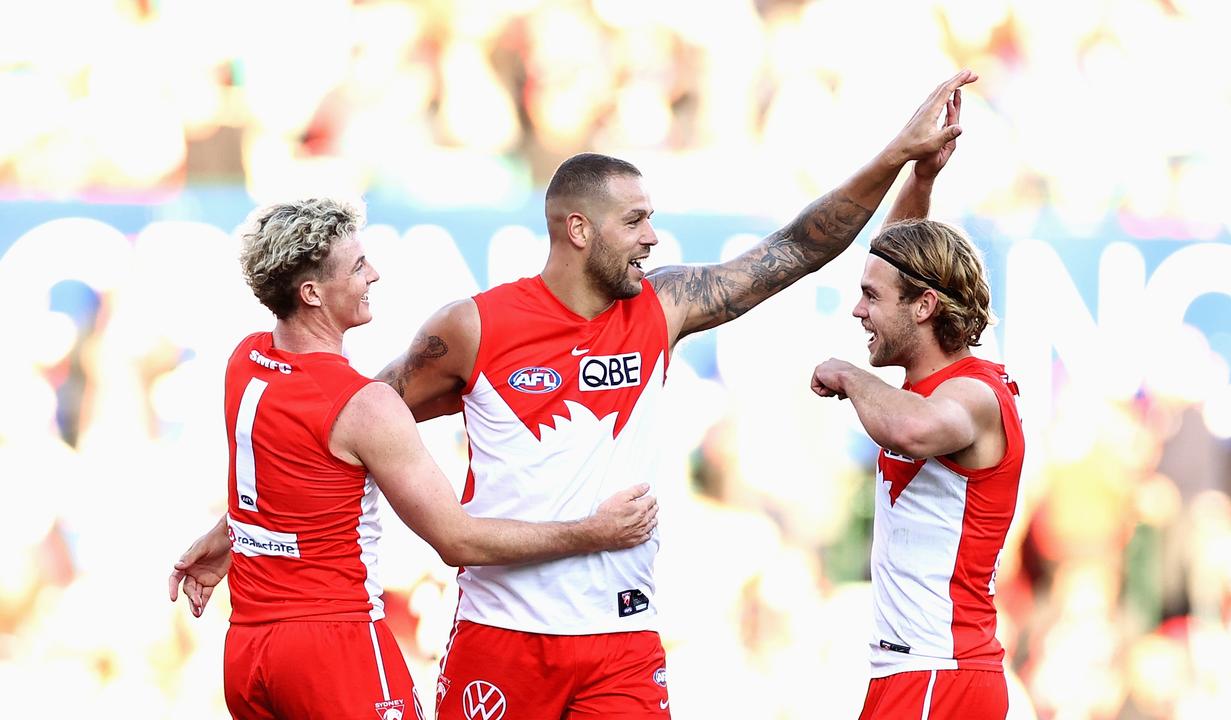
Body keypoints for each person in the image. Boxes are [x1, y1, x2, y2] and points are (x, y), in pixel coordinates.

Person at [367, 69, 980, 719]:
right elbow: (359, 413)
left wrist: (898, 159)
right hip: (503, 644)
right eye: (635, 222)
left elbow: (798, 248)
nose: (652, 239)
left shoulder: (662, 306)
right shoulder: (474, 326)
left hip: (620, 646)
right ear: (578, 229)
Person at [167, 197, 658, 720]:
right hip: (335, 646)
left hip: (249, 652)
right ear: (312, 293)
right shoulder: (365, 405)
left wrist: (230, 535)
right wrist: (595, 532)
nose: (373, 274)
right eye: (357, 266)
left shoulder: (246, 360)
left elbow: (277, 477)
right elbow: (457, 540)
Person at [808, 83, 1022, 720]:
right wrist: (920, 169)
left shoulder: (972, 393)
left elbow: (918, 431)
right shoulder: (931, 378)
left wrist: (849, 375)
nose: (857, 310)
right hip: (917, 673)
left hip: (940, 674)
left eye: (871, 299)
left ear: (925, 307)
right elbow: (894, 253)